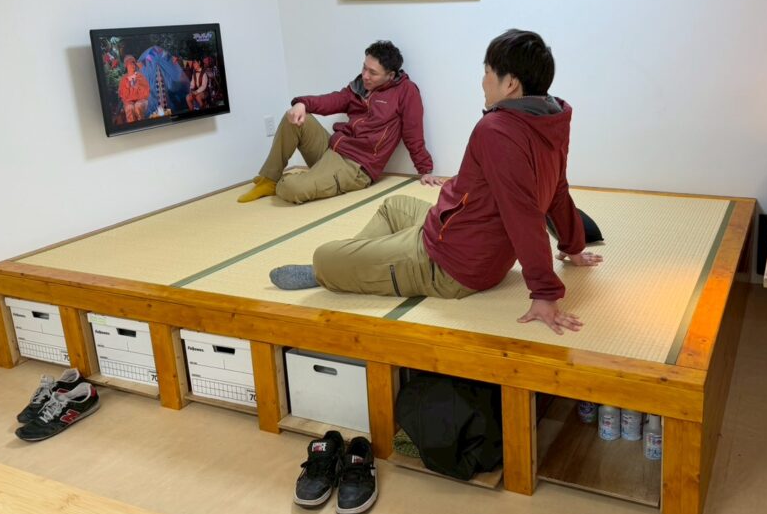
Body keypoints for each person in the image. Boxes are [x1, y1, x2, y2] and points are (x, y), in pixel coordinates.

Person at [270, 29, 603, 335]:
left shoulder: (497, 130)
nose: (483, 81)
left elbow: (524, 214)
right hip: (453, 231)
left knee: (324, 257)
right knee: (393, 205)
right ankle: (361, 261)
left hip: (448, 264)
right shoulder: (550, 119)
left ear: (510, 84)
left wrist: (545, 294)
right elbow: (558, 190)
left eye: (487, 72)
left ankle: (344, 267)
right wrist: (573, 246)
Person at [238, 40, 443, 205]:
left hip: (356, 167)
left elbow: (413, 132)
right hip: (333, 149)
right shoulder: (359, 86)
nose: (365, 76)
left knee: (290, 189)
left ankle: (291, 182)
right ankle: (269, 179)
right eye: (364, 68)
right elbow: (332, 100)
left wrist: (425, 170)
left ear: (390, 75)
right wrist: (302, 103)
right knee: (295, 117)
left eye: (373, 73)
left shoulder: (406, 91)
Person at [117, 56, 150, 122]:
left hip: (141, 100)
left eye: (134, 63)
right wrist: (134, 93)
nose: (133, 65)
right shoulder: (124, 79)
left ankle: (143, 124)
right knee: (129, 108)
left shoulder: (140, 76)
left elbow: (145, 93)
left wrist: (132, 93)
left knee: (138, 106)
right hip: (129, 101)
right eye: (130, 64)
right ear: (126, 65)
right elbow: (124, 96)